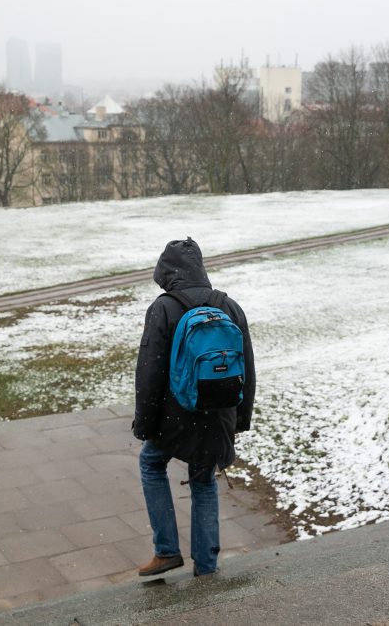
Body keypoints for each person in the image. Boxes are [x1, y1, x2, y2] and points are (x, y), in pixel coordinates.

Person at [132, 238, 256, 577]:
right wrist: (239, 421)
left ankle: (167, 550)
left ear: (167, 273)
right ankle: (206, 564)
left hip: (177, 415)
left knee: (150, 463)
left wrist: (144, 423)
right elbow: (247, 367)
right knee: (203, 480)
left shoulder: (164, 308)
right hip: (218, 414)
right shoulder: (229, 306)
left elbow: (150, 371)